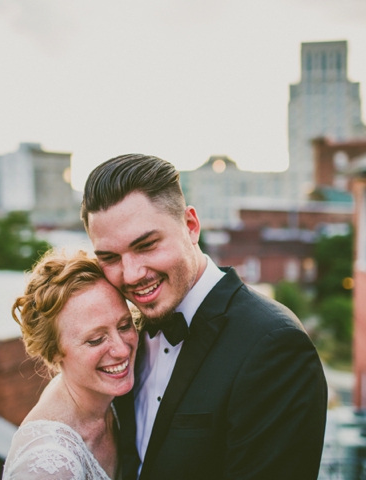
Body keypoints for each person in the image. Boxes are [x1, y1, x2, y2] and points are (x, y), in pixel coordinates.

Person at [81, 154, 328, 480]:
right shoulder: (126, 333)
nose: (130, 274)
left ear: (191, 226)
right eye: (110, 257)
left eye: (146, 245)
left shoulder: (275, 346)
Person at [3, 250, 138, 480]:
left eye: (125, 325)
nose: (123, 350)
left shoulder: (97, 397)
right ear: (54, 352)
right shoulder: (48, 466)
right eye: (95, 339)